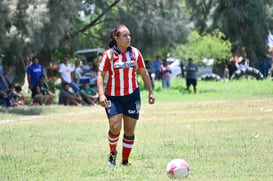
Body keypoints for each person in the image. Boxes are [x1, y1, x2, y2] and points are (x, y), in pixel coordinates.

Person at [97, 24, 155, 167]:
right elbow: (100, 75)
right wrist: (101, 94)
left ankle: (125, 161)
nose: (128, 38)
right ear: (116, 38)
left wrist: (150, 91)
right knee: (115, 127)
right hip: (113, 96)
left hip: (132, 96)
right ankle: (112, 154)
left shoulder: (135, 53)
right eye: (124, 35)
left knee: (129, 129)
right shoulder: (109, 55)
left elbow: (143, 72)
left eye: (129, 35)